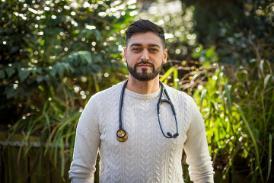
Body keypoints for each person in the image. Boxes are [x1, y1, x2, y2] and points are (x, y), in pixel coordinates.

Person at [69, 19, 214, 183]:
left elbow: (202, 170)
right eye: (136, 49)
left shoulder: (185, 105)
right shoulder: (99, 104)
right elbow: (81, 172)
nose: (145, 56)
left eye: (153, 49)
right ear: (125, 54)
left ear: (164, 55)